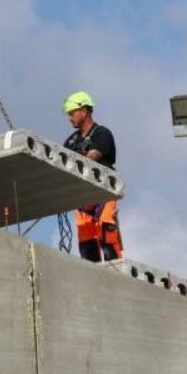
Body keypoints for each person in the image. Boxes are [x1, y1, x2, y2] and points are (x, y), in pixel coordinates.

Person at [62, 90, 123, 262]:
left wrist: (74, 160)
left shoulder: (101, 134)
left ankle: (116, 273)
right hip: (82, 199)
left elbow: (92, 158)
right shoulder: (71, 141)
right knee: (87, 245)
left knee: (107, 237)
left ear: (85, 110)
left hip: (103, 193)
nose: (70, 117)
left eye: (72, 112)